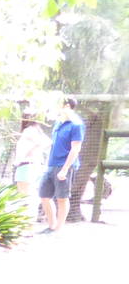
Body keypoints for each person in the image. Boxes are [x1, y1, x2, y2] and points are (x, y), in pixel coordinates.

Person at [38, 96, 85, 233]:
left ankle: (58, 229)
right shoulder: (58, 123)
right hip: (51, 165)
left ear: (67, 106)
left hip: (64, 166)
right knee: (44, 195)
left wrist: (64, 169)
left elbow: (76, 148)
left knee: (62, 198)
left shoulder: (76, 125)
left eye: (58, 104)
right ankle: (51, 226)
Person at [12, 117, 49, 197]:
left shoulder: (28, 130)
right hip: (34, 166)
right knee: (31, 195)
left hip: (26, 166)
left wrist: (30, 151)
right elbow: (48, 143)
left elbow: (44, 143)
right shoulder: (37, 131)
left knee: (23, 196)